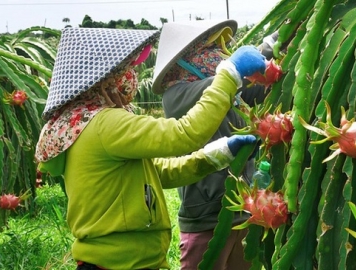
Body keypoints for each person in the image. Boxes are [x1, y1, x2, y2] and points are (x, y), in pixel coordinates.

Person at [34, 27, 266, 269]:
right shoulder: (105, 124)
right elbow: (184, 134)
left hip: (121, 261)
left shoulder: (80, 125)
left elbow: (158, 172)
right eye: (126, 69)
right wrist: (229, 74)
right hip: (124, 264)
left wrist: (217, 155)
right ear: (105, 76)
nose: (132, 76)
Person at [153, 20, 278, 270]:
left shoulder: (230, 88)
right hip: (205, 215)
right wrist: (241, 63)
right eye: (208, 51)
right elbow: (219, 84)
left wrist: (277, 40)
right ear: (184, 60)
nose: (217, 55)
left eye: (219, 48)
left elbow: (256, 88)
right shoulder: (176, 95)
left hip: (245, 207)